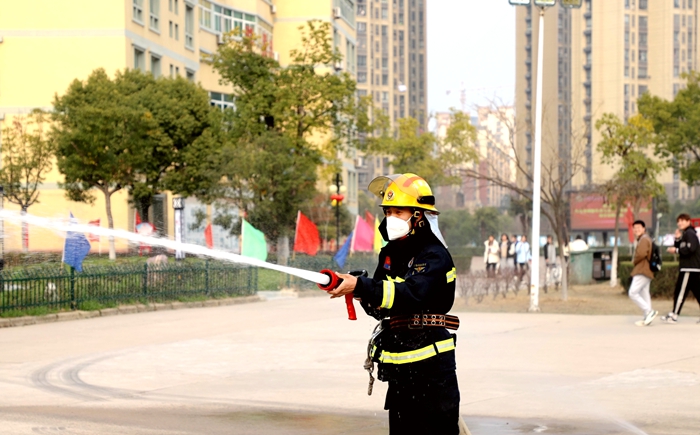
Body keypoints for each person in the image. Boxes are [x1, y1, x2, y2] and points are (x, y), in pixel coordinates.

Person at [330, 173, 460, 434]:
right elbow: (383, 304)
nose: (391, 217)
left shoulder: (434, 255)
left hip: (431, 372)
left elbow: (410, 294)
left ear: (419, 216)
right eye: (388, 211)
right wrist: (361, 290)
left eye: (398, 211)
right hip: (400, 372)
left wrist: (364, 287)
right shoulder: (391, 253)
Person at [661, 213, 700, 324]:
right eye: (678, 221)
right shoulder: (686, 234)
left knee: (680, 292)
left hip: (689, 268)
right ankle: (674, 313)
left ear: (689, 221)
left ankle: (674, 315)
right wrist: (677, 239)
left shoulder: (690, 233)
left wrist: (676, 250)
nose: (680, 223)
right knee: (697, 293)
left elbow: (691, 248)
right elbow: (682, 248)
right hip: (691, 268)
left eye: (683, 220)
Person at [629, 220, 658, 326]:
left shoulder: (644, 239)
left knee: (632, 293)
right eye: (634, 228)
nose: (636, 230)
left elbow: (640, 254)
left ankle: (649, 311)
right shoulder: (645, 239)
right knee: (644, 293)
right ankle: (647, 316)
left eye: (639, 227)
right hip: (647, 270)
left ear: (644, 228)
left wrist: (634, 261)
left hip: (642, 269)